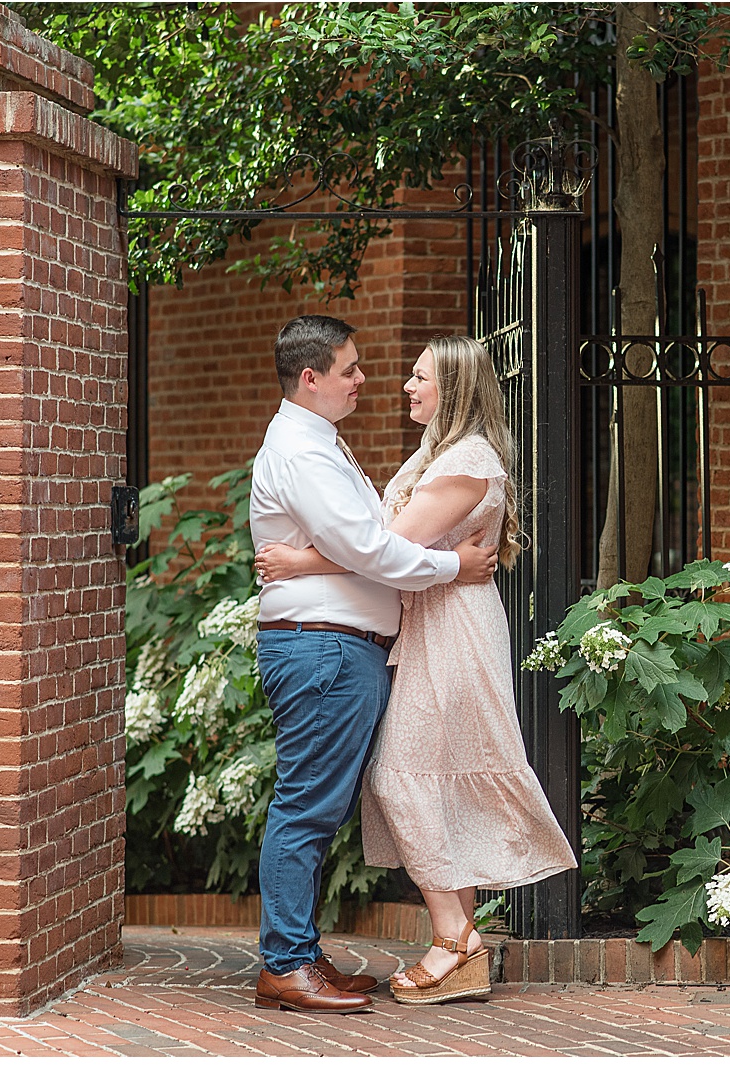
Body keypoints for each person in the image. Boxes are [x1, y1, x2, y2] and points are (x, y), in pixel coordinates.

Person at [256, 334, 577, 1006]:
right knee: (413, 776)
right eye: (364, 370)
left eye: (419, 376)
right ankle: (449, 939)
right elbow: (377, 542)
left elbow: (384, 546)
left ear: (454, 390)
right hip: (419, 625)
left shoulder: (465, 459)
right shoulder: (433, 454)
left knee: (407, 775)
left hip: (449, 627)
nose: (399, 383)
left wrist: (304, 561)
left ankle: (454, 938)